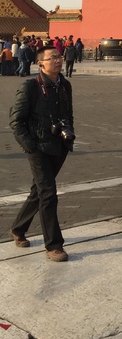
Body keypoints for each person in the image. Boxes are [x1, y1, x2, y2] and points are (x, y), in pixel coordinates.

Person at [9, 46, 75, 261]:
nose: (58, 60)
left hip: (59, 147)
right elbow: (16, 121)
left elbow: (68, 114)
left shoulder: (65, 85)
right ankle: (54, 245)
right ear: (41, 63)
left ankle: (18, 228)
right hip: (38, 148)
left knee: (38, 191)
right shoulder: (30, 87)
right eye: (53, 57)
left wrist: (69, 134)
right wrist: (30, 146)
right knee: (48, 193)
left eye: (59, 56)